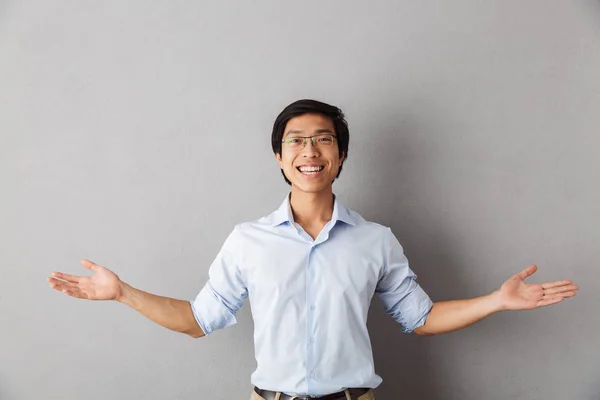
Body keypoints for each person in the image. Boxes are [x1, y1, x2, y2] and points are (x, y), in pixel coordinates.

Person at [48, 99, 579, 400]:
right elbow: (197, 319)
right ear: (279, 157)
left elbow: (421, 317)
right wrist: (121, 294)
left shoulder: (376, 240)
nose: (309, 150)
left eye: (323, 139)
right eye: (296, 140)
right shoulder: (247, 241)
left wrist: (497, 301)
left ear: (340, 155)